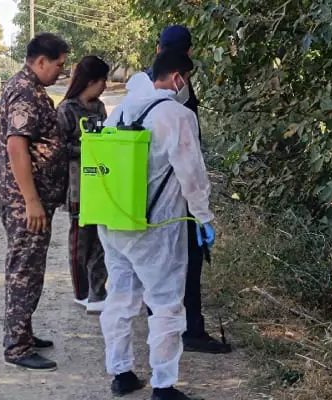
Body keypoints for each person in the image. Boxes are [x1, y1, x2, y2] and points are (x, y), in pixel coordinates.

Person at [99, 50, 216, 400]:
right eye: (187, 80)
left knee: (120, 298)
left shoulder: (122, 106)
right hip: (155, 228)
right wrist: (204, 217)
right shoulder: (176, 114)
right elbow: (191, 174)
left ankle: (120, 373)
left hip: (113, 220)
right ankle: (164, 386)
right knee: (165, 303)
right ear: (178, 77)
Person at [145, 25, 232, 355]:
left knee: (163, 269)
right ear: (187, 59)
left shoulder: (143, 89)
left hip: (152, 196)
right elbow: (188, 160)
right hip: (173, 195)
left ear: (158, 49)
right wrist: (202, 214)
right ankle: (187, 333)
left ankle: (176, 329)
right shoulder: (176, 101)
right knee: (184, 265)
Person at [0, 32, 70, 371]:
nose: (61, 72)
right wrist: (31, 200)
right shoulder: (25, 90)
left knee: (31, 269)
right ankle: (17, 347)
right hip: (25, 201)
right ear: (40, 61)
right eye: (58, 65)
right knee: (24, 270)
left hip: (32, 198)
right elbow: (16, 146)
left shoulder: (32, 88)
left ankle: (24, 331)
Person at [56, 56, 110, 315]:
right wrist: (86, 148)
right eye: (103, 81)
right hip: (78, 188)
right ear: (91, 81)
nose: (105, 87)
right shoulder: (67, 110)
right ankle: (82, 292)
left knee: (101, 243)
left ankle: (99, 292)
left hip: (101, 186)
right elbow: (58, 149)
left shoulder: (99, 108)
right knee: (80, 243)